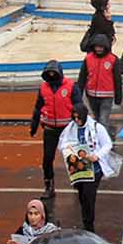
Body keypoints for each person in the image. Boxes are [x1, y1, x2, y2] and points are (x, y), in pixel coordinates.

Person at [59, 103, 115, 232]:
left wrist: (97, 155)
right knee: (82, 197)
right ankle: (86, 221)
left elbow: (107, 144)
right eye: (74, 118)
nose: (77, 120)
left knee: (89, 198)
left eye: (79, 118)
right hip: (79, 170)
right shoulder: (71, 128)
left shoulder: (97, 127)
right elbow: (63, 143)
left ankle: (89, 226)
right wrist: (67, 149)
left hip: (94, 169)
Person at [29, 60, 74, 198]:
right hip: (50, 129)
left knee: (73, 158)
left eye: (54, 73)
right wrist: (34, 126)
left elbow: (78, 105)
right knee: (47, 159)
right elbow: (38, 108)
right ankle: (49, 186)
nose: (52, 76)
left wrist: (81, 124)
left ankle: (80, 183)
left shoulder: (71, 86)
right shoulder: (43, 88)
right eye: (49, 74)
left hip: (67, 129)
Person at [75, 34, 120, 132]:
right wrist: (78, 95)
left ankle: (103, 141)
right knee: (97, 118)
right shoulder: (88, 59)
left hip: (107, 95)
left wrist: (118, 97)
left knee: (103, 120)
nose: (99, 49)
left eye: (101, 47)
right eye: (97, 47)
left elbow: (117, 79)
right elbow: (82, 77)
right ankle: (97, 139)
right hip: (91, 95)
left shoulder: (113, 59)